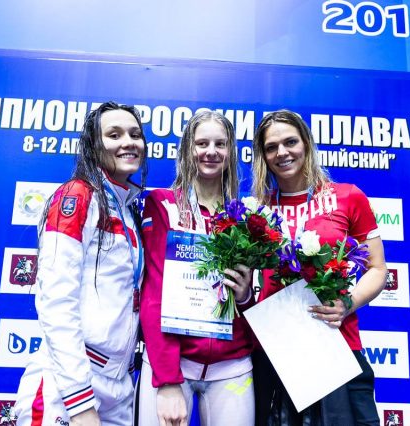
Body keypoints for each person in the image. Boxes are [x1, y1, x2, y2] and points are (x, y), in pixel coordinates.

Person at [14, 102, 148, 426]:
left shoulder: (129, 210)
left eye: (135, 134)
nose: (128, 142)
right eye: (114, 135)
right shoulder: (77, 196)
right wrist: (79, 400)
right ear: (93, 144)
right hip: (70, 382)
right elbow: (56, 301)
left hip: (119, 385)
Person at [251, 110, 387, 426]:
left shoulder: (348, 197)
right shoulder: (257, 208)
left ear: (306, 144)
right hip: (275, 349)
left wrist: (348, 303)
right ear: (263, 156)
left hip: (336, 344)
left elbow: (377, 269)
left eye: (290, 142)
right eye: (271, 147)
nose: (282, 152)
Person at [137, 110, 256, 426]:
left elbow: (254, 300)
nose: (211, 151)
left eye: (220, 144)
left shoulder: (245, 216)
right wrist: (166, 378)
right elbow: (154, 293)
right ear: (188, 149)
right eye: (202, 143)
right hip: (174, 364)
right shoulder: (163, 205)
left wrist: (245, 296)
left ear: (230, 152)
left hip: (233, 365)